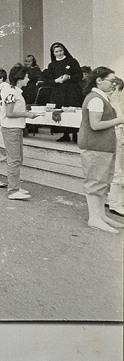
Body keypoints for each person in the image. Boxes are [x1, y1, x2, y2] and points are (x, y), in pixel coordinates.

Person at [77, 67, 124, 233]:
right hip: (95, 147)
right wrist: (119, 119)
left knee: (102, 181)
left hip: (103, 147)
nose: (113, 84)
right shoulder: (95, 99)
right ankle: (94, 218)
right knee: (95, 182)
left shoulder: (102, 97)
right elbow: (95, 125)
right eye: (110, 81)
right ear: (99, 80)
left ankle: (101, 215)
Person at [0, 65, 40, 200]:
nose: (28, 79)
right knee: (14, 159)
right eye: (26, 77)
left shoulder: (16, 92)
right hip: (11, 129)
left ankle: (15, 185)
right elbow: (9, 113)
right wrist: (27, 114)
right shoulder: (11, 92)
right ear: (20, 78)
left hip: (16, 128)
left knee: (17, 159)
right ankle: (12, 190)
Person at [42, 42, 84, 142]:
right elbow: (48, 80)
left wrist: (69, 77)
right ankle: (65, 135)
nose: (59, 53)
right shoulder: (52, 65)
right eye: (56, 52)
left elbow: (79, 75)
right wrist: (56, 81)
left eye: (61, 51)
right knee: (61, 112)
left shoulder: (72, 61)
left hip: (72, 92)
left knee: (72, 111)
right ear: (53, 53)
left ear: (64, 50)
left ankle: (75, 134)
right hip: (59, 92)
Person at [106, 77, 124, 217]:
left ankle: (111, 198)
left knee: (114, 169)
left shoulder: (114, 102)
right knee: (117, 170)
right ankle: (115, 203)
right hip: (115, 135)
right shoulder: (111, 103)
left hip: (114, 134)